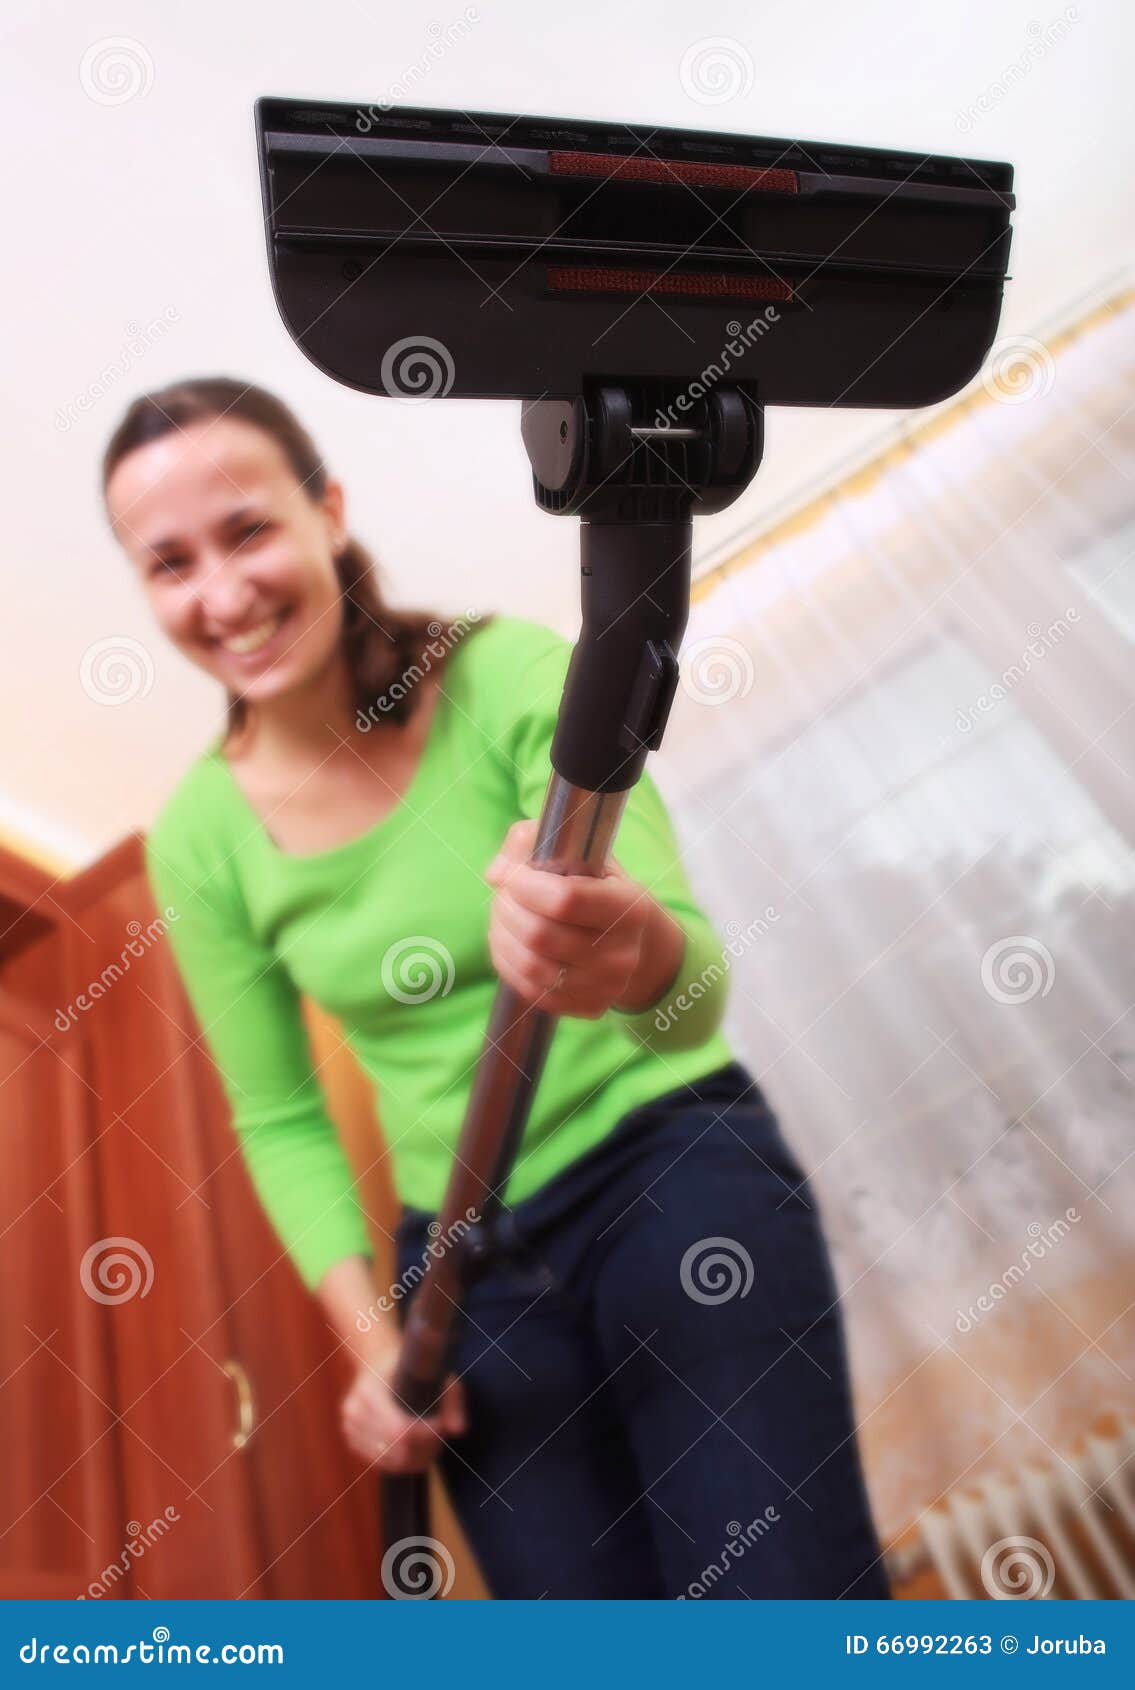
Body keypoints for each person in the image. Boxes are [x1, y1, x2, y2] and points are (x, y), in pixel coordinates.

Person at [103, 375, 889, 1600]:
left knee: (776, 1608)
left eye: (250, 529)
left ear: (327, 509)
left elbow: (689, 992)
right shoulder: (199, 837)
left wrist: (634, 959)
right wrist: (374, 1348)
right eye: (169, 563)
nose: (223, 593)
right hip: (463, 1279)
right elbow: (280, 1117)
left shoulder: (511, 673)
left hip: (668, 1173)